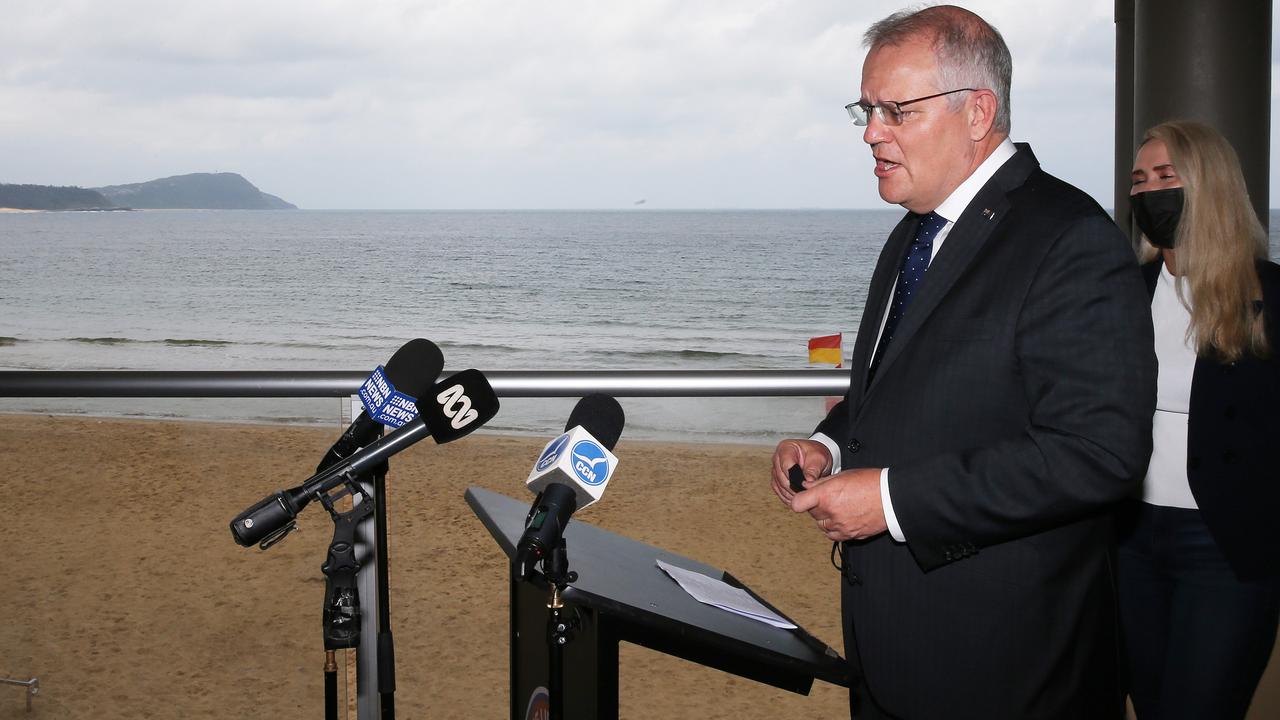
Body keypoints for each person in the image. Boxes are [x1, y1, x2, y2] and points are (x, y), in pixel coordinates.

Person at [768, 6, 1157, 719]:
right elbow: (895, 382)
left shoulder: (1068, 239)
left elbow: (1100, 453)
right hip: (892, 652)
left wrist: (888, 501)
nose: (870, 132)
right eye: (866, 108)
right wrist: (827, 444)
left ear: (977, 111)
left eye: (894, 110)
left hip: (1006, 667)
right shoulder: (914, 232)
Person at [1119, 120, 1280, 719]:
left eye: (1166, 176)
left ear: (1211, 187)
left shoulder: (1268, 298)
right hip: (1128, 540)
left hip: (1225, 545)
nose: (1148, 193)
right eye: (1139, 180)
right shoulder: (1120, 293)